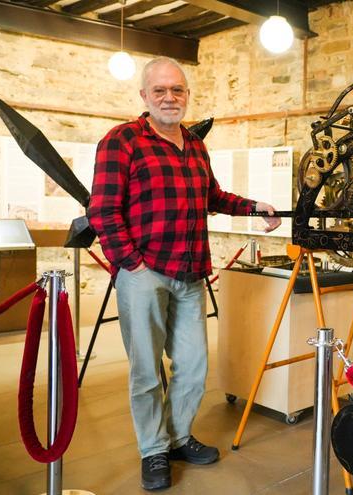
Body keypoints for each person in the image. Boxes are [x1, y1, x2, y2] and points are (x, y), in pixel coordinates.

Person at [88, 57, 281, 491]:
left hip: (190, 271)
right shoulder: (122, 141)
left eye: (177, 90)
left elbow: (212, 195)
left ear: (187, 95)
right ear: (144, 97)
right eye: (160, 91)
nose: (169, 98)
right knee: (145, 371)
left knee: (193, 365)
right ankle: (153, 449)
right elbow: (101, 209)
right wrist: (130, 262)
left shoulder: (194, 145)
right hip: (144, 272)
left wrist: (255, 207)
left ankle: (177, 437)